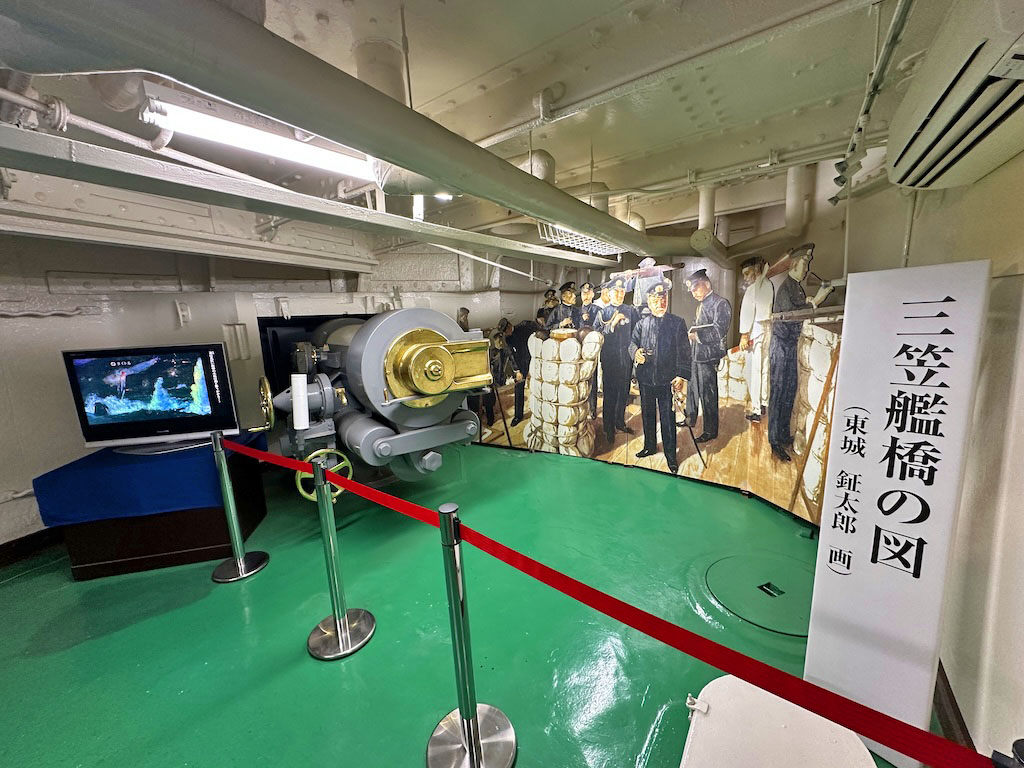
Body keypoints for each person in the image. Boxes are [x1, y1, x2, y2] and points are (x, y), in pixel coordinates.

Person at [768, 245, 834, 462]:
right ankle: (774, 441)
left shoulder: (795, 288)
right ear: (795, 264)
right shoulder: (786, 287)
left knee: (789, 391)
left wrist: (810, 301)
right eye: (805, 264)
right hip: (781, 346)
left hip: (789, 345)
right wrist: (817, 301)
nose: (807, 269)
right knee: (779, 393)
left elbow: (798, 306)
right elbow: (793, 315)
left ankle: (782, 435)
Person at [629, 280, 691, 473]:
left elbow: (684, 352)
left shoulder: (677, 323)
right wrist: (636, 352)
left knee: (667, 418)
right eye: (656, 299)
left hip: (667, 380)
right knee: (647, 415)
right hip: (646, 379)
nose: (660, 302)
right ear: (649, 301)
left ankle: (671, 456)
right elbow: (632, 344)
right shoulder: (641, 324)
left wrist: (681, 375)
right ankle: (649, 446)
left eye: (663, 298)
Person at [683, 268, 732, 443]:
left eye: (696, 288)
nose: (694, 293)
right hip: (696, 353)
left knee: (707, 394)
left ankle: (710, 430)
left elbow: (719, 331)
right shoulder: (702, 304)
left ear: (707, 284)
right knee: (692, 388)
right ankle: (690, 418)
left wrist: (696, 336)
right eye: (692, 290)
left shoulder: (721, 303)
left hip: (709, 356)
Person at [597, 277, 639, 443]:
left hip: (626, 361)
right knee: (610, 395)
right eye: (616, 291)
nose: (620, 294)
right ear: (609, 293)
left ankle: (619, 423)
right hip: (610, 360)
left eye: (622, 291)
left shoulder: (631, 311)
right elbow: (596, 334)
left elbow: (637, 333)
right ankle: (608, 428)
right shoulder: (603, 313)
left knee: (623, 393)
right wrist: (612, 324)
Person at [737, 256, 774, 422]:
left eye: (747, 273)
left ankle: (757, 409)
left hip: (756, 332)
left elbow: (747, 313)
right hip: (766, 330)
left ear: (756, 269)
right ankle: (764, 402)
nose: (745, 278)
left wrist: (744, 335)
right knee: (764, 368)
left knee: (755, 371)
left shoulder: (754, 289)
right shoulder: (767, 285)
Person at [507, 309, 544, 426]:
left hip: (535, 358)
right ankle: (518, 416)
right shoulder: (508, 338)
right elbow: (511, 355)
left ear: (510, 326)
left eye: (506, 330)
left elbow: (539, 328)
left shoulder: (524, 325)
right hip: (521, 364)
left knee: (540, 385)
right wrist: (517, 370)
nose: (507, 333)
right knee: (519, 387)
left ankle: (542, 413)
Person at [483, 318, 517, 426]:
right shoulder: (491, 353)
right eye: (498, 341)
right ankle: (490, 418)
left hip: (500, 380)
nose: (500, 343)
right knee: (489, 397)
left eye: (501, 340)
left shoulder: (506, 351)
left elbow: (512, 359)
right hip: (491, 379)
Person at [577, 281, 601, 415]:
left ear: (592, 294)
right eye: (583, 294)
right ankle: (580, 407)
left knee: (592, 378)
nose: (586, 296)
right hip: (577, 350)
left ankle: (592, 409)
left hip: (591, 350)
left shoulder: (598, 310)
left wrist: (589, 322)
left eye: (588, 293)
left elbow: (600, 329)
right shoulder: (576, 311)